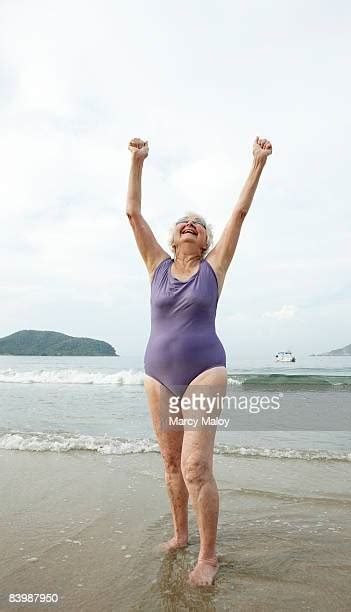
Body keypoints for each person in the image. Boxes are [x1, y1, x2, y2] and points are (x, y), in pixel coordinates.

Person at [126, 135, 272, 586]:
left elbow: (239, 214)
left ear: (206, 241)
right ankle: (179, 535)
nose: (191, 224)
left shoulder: (215, 267)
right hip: (157, 375)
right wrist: (137, 161)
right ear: (171, 239)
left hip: (205, 371)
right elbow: (132, 213)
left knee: (194, 467)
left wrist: (257, 164)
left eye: (198, 224)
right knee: (170, 465)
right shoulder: (157, 265)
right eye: (183, 222)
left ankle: (208, 556)